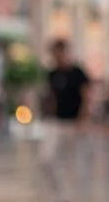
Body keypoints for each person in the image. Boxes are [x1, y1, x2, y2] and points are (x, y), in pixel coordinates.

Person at [40, 39, 91, 202]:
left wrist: (83, 119)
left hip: (74, 122)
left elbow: (87, 96)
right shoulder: (52, 74)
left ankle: (75, 196)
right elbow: (52, 97)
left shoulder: (78, 73)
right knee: (46, 158)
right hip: (56, 122)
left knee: (74, 162)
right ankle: (58, 194)